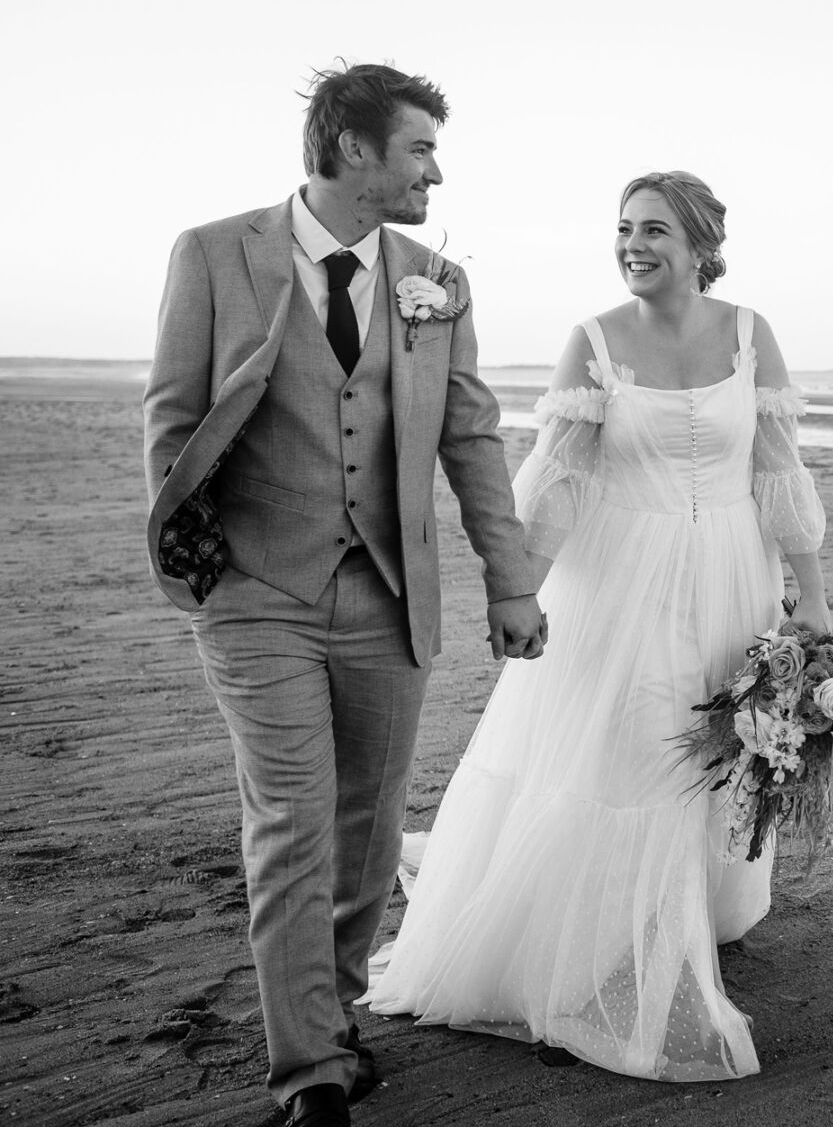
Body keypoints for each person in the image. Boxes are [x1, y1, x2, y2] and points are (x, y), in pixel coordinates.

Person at [142, 63, 548, 1127]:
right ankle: (311, 1070)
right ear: (355, 150)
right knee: (290, 822)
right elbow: (173, 418)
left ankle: (334, 1005)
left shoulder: (435, 283)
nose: (436, 172)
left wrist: (512, 582)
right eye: (420, 149)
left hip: (388, 592)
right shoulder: (215, 253)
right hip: (256, 590)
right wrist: (196, 563)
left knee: (367, 830)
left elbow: (470, 436)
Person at [363, 171, 831, 1081]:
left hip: (735, 569)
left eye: (654, 230)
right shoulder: (593, 340)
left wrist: (808, 594)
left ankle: (685, 904)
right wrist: (519, 587)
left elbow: (777, 467)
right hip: (620, 577)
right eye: (622, 229)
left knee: (715, 747)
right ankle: (611, 941)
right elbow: (558, 478)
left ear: (701, 243)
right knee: (634, 745)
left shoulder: (749, 331)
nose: (632, 245)